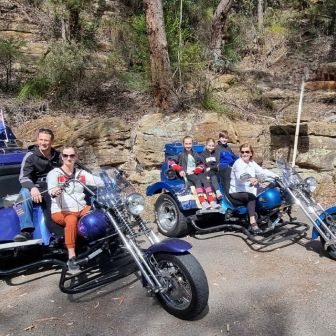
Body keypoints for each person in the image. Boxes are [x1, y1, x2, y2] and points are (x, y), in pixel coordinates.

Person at [47, 145, 104, 273]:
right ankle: (72, 256)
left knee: (101, 211)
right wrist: (54, 191)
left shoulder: (80, 173)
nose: (69, 158)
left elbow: (96, 181)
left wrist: (110, 179)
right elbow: (51, 188)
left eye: (72, 155)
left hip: (81, 208)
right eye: (66, 155)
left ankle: (106, 242)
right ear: (62, 157)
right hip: (61, 211)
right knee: (71, 220)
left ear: (76, 157)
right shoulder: (54, 174)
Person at [14, 128, 61, 242]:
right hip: (35, 186)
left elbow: (69, 169)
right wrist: (33, 188)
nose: (43, 142)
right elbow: (24, 177)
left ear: (52, 141)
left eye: (46, 140)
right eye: (41, 139)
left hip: (54, 185)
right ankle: (26, 230)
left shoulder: (58, 155)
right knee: (23, 194)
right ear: (37, 140)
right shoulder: (30, 156)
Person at [229, 143, 277, 234]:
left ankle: (271, 216)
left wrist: (276, 176)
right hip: (237, 191)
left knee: (268, 191)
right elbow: (241, 176)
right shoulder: (238, 163)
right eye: (242, 152)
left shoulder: (251, 163)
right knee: (251, 196)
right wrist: (250, 178)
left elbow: (262, 172)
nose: (244, 154)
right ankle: (253, 222)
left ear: (251, 153)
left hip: (249, 188)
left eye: (247, 151)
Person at [168, 136, 219, 210]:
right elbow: (171, 162)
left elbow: (201, 164)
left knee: (204, 180)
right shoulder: (180, 154)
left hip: (196, 172)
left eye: (190, 144)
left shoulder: (195, 154)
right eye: (186, 144)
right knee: (196, 180)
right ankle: (203, 202)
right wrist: (180, 169)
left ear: (192, 144)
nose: (188, 146)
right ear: (183, 144)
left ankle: (212, 201)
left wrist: (197, 170)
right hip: (187, 174)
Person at [215, 130, 239, 194]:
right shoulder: (217, 148)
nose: (224, 139)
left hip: (230, 166)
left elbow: (234, 156)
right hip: (223, 168)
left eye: (226, 138)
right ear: (219, 138)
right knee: (228, 170)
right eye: (222, 138)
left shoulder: (228, 147)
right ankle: (229, 193)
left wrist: (241, 160)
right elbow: (217, 161)